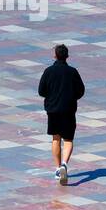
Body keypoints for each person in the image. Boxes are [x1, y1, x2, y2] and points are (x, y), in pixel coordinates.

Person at [38, 44, 85, 185]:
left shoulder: (48, 71)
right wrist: (71, 97)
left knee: (56, 139)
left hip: (53, 110)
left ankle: (58, 168)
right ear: (67, 56)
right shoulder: (73, 72)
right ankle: (65, 164)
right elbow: (81, 91)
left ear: (55, 56)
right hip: (69, 110)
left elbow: (41, 91)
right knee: (69, 140)